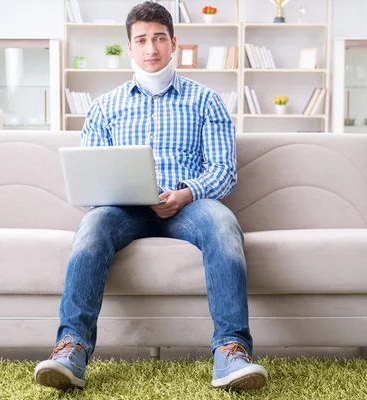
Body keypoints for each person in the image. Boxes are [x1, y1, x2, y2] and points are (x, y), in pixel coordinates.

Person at [34, 1, 268, 391]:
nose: (151, 48)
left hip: (189, 206)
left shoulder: (206, 101)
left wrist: (186, 193)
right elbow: (90, 178)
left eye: (159, 38)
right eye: (141, 40)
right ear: (130, 47)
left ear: (174, 43)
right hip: (125, 210)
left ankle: (231, 351)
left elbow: (224, 171)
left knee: (224, 225)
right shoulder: (105, 107)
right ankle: (70, 349)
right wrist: (119, 194)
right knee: (92, 226)